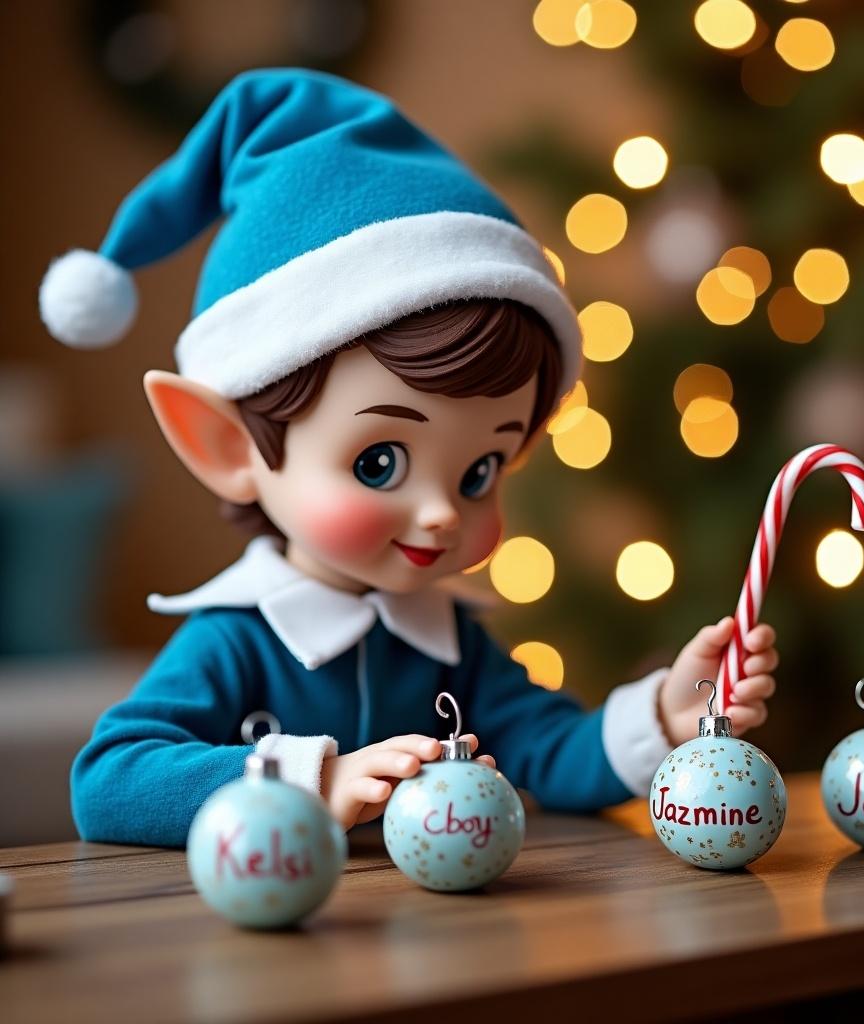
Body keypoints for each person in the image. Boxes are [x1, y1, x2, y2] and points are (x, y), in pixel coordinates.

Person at [40, 69, 778, 847]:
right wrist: (309, 782)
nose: (440, 512)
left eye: (478, 473)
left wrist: (662, 715)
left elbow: (550, 750)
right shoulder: (237, 639)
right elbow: (110, 781)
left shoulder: (448, 641)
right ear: (225, 445)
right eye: (379, 462)